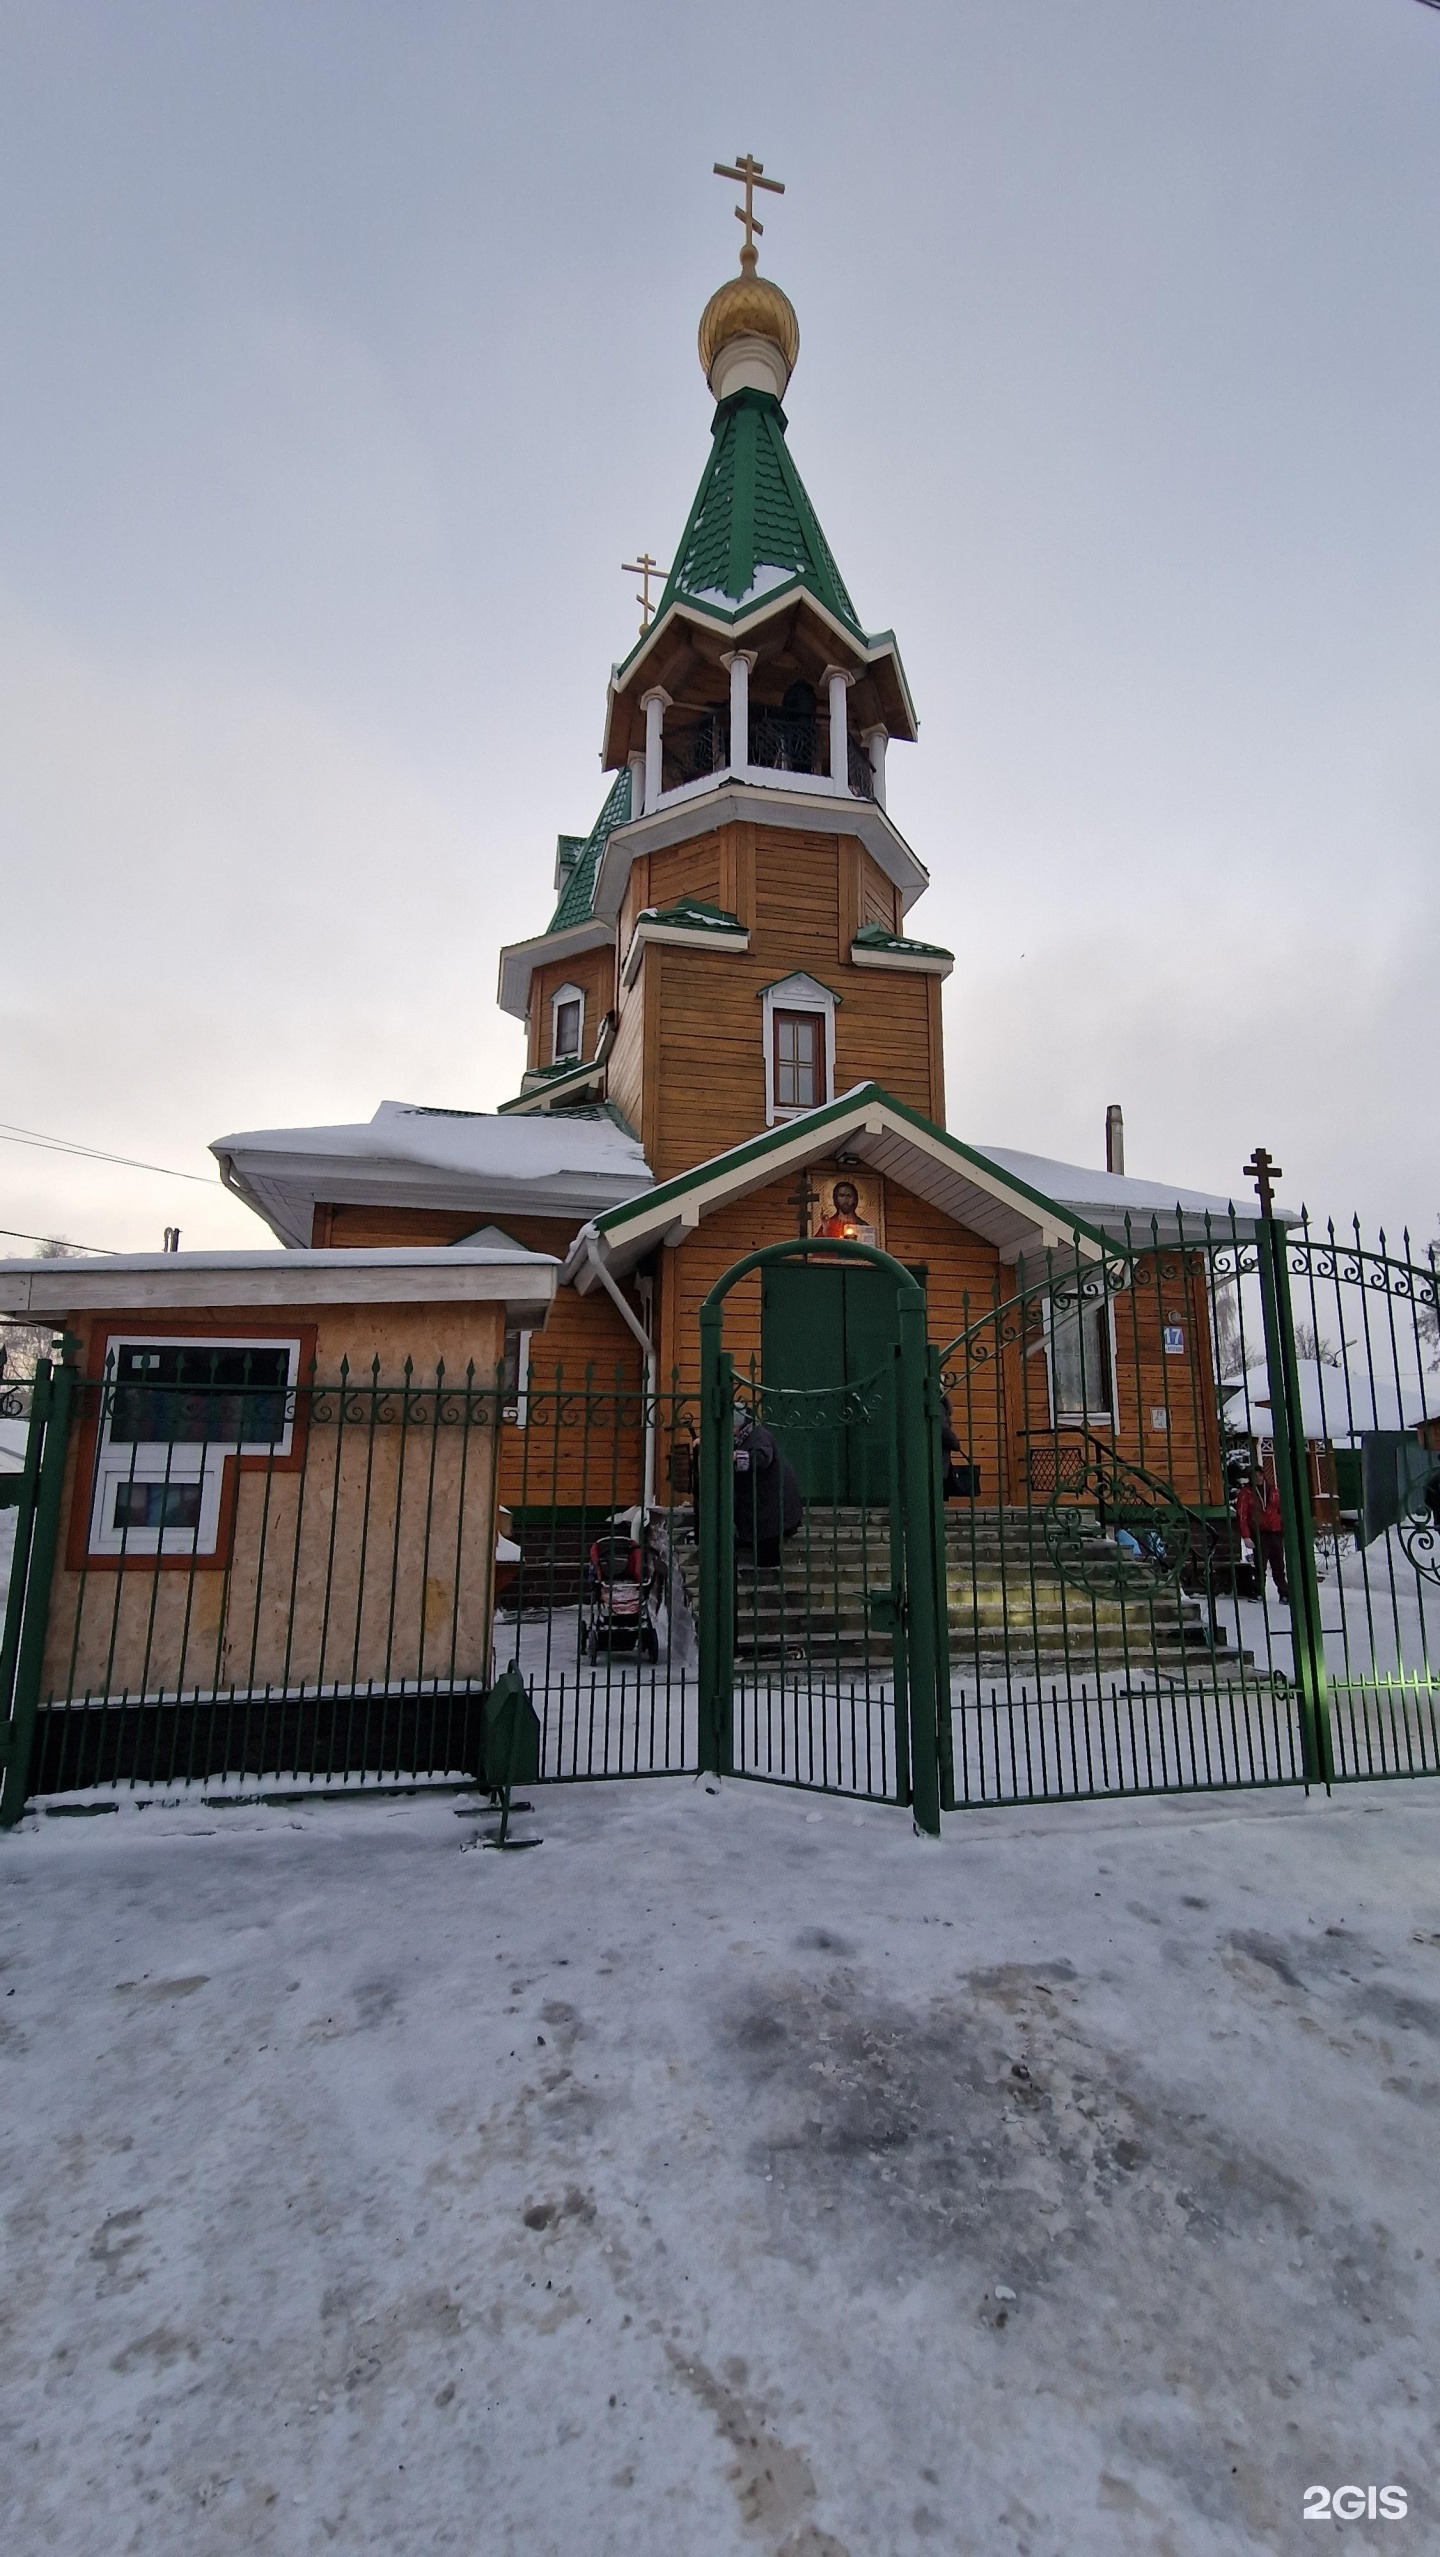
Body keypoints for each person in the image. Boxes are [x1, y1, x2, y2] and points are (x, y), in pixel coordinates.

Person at [732, 1404, 802, 1568]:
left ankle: (767, 1579)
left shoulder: (758, 1436)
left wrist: (737, 1457)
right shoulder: (747, 1435)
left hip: (771, 1506)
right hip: (765, 1504)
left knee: (767, 1544)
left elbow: (761, 1459)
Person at [1236, 1467, 1288, 1602]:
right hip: (1260, 1532)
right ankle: (1258, 1592)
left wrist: (1281, 1525)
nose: (1258, 1477)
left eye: (1260, 1474)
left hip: (1275, 1532)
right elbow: (1242, 1516)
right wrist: (1246, 1535)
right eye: (1255, 1475)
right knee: (1260, 1565)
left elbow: (1281, 1509)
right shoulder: (1246, 1493)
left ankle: (1284, 1593)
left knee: (1278, 1565)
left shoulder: (1273, 1491)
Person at [815, 1179, 875, 1246]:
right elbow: (815, 1249)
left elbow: (871, 1250)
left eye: (849, 1196)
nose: (845, 1199)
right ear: (836, 1199)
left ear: (855, 1199)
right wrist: (825, 1230)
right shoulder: (829, 1224)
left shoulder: (863, 1225)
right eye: (842, 1195)